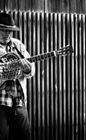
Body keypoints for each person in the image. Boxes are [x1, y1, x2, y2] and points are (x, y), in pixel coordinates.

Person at [0, 12, 35, 140]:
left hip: (19, 102)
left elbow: (31, 71)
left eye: (10, 31)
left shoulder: (18, 45)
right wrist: (4, 72)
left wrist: (27, 69)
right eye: (4, 30)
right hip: (1, 103)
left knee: (24, 136)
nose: (7, 34)